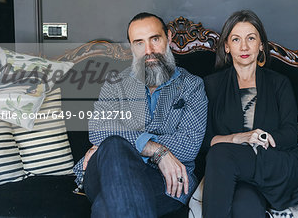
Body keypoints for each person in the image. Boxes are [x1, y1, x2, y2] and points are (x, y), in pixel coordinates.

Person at [72, 12, 208, 218]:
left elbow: (188, 146)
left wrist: (124, 138)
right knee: (114, 145)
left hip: (166, 179)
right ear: (131, 47)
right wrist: (157, 150)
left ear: (168, 38)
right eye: (139, 43)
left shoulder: (192, 85)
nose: (149, 51)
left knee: (105, 206)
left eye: (155, 39)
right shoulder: (115, 83)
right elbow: (99, 129)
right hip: (104, 171)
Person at [202, 10, 298, 218]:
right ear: (226, 46)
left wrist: (257, 140)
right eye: (236, 39)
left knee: (220, 154)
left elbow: (290, 134)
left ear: (261, 45)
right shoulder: (211, 86)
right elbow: (206, 139)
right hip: (235, 173)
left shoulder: (279, 83)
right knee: (245, 205)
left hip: (276, 165)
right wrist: (239, 138)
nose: (244, 46)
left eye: (251, 38)